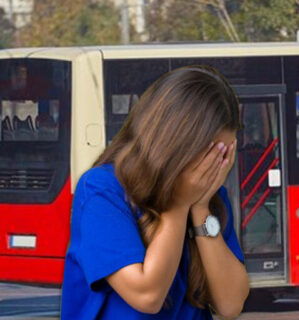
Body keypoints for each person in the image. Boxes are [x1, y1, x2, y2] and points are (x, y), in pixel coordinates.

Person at [60, 65, 250, 319]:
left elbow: (230, 304)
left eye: (225, 156)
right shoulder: (103, 190)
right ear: (175, 143)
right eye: (212, 155)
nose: (217, 167)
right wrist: (179, 205)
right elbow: (147, 295)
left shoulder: (208, 196)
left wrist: (201, 210)